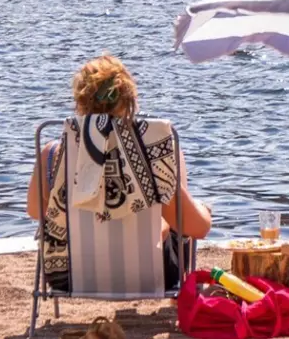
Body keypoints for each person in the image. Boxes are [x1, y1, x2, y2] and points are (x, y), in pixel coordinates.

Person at [27, 55, 211, 292]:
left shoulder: (52, 155)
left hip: (69, 277)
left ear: (80, 101)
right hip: (150, 275)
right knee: (182, 211)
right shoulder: (156, 155)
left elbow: (35, 211)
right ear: (129, 99)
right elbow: (198, 229)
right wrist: (201, 210)